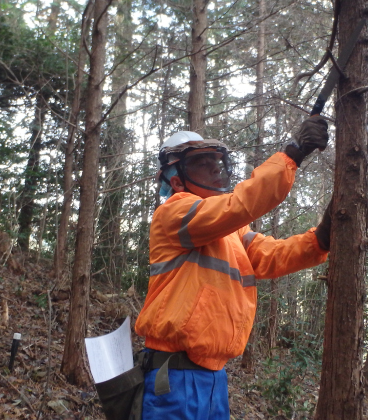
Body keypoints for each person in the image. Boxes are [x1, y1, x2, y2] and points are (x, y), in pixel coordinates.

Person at [134, 116, 333, 419]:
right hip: (173, 375)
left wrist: (321, 239)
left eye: (216, 161)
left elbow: (271, 255)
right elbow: (242, 204)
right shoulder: (173, 212)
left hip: (214, 377)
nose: (215, 168)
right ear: (176, 178)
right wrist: (292, 154)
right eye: (203, 162)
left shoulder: (232, 231)